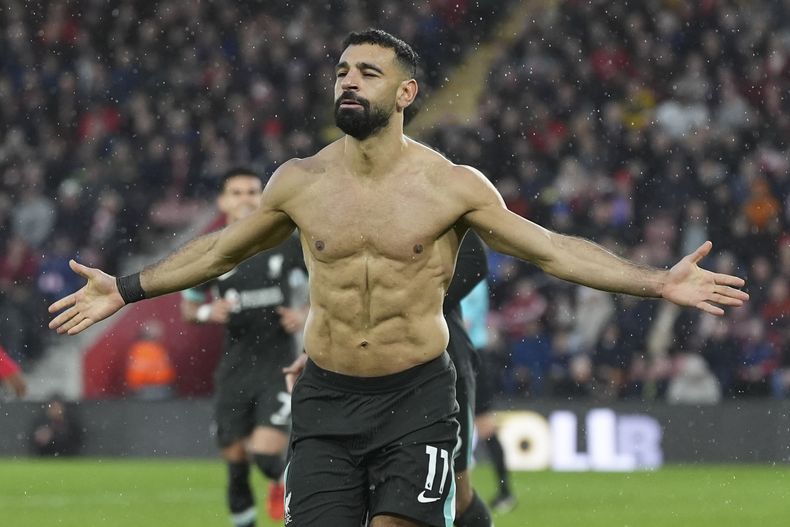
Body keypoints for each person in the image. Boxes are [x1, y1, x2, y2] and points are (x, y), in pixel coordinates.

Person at [49, 29, 748, 527]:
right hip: (325, 398)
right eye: (342, 72)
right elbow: (217, 253)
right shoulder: (299, 182)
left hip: (415, 398)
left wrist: (657, 282)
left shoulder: (451, 186)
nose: (348, 81)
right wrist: (127, 288)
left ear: (407, 92)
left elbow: (552, 251)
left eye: (368, 72)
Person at [180, 168, 307, 525]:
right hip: (234, 370)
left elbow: (326, 289)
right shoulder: (213, 251)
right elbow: (189, 307)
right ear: (223, 201)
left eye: (252, 191)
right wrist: (208, 311)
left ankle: (285, 483)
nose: (245, 199)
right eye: (236, 193)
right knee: (236, 464)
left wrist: (303, 313)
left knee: (265, 455)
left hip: (278, 366)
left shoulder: (286, 242)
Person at [443, 232, 493, 525]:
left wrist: (418, 311)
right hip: (373, 368)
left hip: (449, 359)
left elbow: (474, 261)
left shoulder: (434, 201)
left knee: (458, 492)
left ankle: (504, 491)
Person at [460, 279, 517, 514]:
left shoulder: (471, 280)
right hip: (460, 356)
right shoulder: (464, 276)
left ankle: (505, 491)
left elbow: (464, 323)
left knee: (484, 426)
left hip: (472, 357)